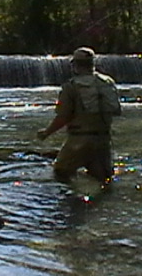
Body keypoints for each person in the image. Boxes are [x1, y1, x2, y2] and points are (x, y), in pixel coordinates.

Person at [37, 46, 122, 185]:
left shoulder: (71, 87)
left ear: (75, 65)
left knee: (61, 174)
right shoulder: (107, 82)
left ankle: (75, 202)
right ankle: (102, 205)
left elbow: (63, 117)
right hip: (103, 140)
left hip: (78, 141)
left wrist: (46, 133)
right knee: (103, 180)